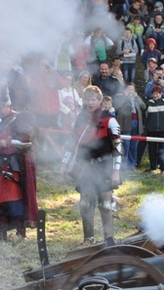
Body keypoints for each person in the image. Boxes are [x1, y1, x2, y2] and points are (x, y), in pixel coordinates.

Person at [62, 85, 121, 246]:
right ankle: (88, 238)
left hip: (104, 166)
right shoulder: (79, 120)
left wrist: (116, 171)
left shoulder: (110, 119)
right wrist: (65, 163)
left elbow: (117, 146)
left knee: (105, 204)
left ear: (100, 100)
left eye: (93, 99)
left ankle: (109, 238)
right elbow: (71, 143)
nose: (90, 103)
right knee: (85, 203)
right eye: (87, 99)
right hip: (87, 167)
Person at [0, 90, 38, 241]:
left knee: (13, 199)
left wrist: (8, 142)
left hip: (14, 164)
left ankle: (20, 231)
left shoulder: (20, 119)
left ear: (8, 105)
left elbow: (26, 140)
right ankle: (0, 231)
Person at [113, 82, 145, 170]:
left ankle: (132, 165)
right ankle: (124, 165)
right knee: (126, 145)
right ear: (125, 90)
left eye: (132, 89)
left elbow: (143, 107)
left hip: (137, 124)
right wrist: (125, 98)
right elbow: (117, 107)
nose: (130, 91)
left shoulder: (136, 98)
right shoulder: (120, 97)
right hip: (126, 124)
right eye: (128, 89)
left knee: (134, 146)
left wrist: (137, 97)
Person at [144, 84, 164, 173]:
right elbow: (145, 116)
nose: (155, 95)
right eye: (154, 93)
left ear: (161, 94)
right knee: (151, 149)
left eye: (157, 93)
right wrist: (147, 126)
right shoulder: (148, 103)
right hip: (151, 130)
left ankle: (163, 168)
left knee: (162, 149)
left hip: (163, 130)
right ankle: (153, 167)